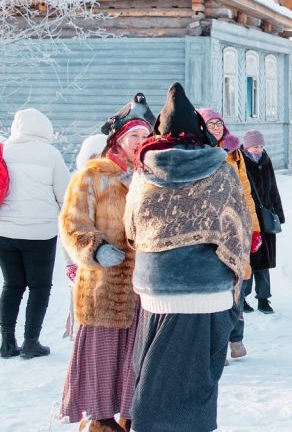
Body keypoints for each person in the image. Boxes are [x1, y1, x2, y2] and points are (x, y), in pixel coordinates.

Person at [124, 83, 250, 431]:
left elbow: (130, 227)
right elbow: (238, 228)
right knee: (198, 385)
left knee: (151, 379)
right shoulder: (221, 170)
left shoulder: (144, 172)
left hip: (156, 288)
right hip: (207, 291)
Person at [59, 94, 154, 431]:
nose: (140, 143)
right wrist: (95, 248)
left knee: (135, 360)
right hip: (103, 287)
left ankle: (131, 417)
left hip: (144, 287)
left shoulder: (151, 176)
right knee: (102, 358)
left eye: (146, 137)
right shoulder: (92, 176)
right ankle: (100, 420)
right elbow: (73, 223)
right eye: (134, 137)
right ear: (117, 140)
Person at [0, 108, 69, 359]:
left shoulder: (4, 150)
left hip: (5, 232)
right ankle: (31, 342)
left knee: (12, 284)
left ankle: (7, 342)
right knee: (39, 287)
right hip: (40, 232)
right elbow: (66, 196)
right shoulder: (51, 154)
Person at [198, 108, 261, 358]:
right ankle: (218, 345)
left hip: (235, 225)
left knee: (236, 283)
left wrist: (254, 228)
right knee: (215, 286)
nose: (215, 128)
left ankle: (236, 338)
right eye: (210, 124)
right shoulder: (198, 151)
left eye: (218, 123)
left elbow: (245, 190)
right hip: (209, 228)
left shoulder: (234, 151)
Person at [63, 133, 109, 341]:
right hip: (85, 259)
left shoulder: (119, 183)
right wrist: (71, 263)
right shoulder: (77, 186)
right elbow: (69, 229)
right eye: (95, 156)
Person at [242, 129, 285, 315]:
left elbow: (273, 189)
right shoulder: (240, 163)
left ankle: (263, 299)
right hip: (248, 220)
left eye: (260, 146)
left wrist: (278, 214)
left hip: (266, 219)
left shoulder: (266, 162)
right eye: (254, 146)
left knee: (264, 262)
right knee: (247, 262)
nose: (258, 150)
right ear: (246, 146)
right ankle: (242, 298)